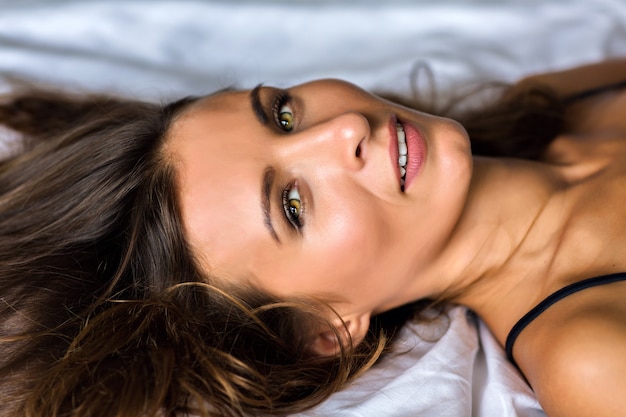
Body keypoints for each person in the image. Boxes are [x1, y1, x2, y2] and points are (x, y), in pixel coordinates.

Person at [0, 58, 624, 417]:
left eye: (283, 115)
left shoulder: (558, 100)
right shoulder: (591, 360)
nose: (344, 128)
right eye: (293, 206)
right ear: (327, 329)